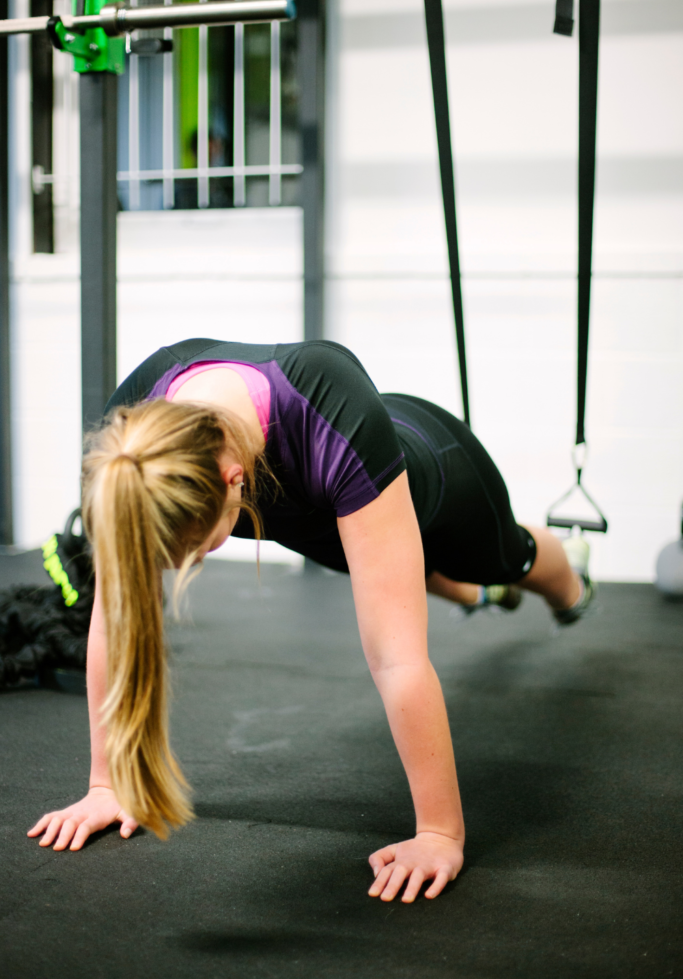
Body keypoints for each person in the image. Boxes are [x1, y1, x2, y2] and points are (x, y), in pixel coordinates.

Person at [28, 339, 593, 903]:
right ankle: (472, 594)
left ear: (230, 480)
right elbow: (114, 618)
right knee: (401, 580)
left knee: (506, 559)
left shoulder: (324, 410)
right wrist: (107, 784)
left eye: (197, 554)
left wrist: (439, 833)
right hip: (328, 519)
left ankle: (568, 581)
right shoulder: (134, 445)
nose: (184, 569)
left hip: (437, 479)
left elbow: (396, 658)